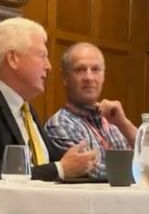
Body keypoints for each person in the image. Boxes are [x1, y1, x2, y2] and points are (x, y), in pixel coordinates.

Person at [0, 18, 97, 181]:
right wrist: (60, 169)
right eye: (42, 55)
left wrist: (81, 162)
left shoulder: (26, 111)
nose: (48, 66)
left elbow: (49, 161)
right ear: (13, 59)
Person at [45, 42, 136, 178]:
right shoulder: (60, 125)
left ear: (103, 76)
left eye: (95, 69)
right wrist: (144, 172)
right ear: (65, 77)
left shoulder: (114, 123)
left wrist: (124, 123)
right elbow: (92, 172)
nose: (89, 77)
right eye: (80, 70)